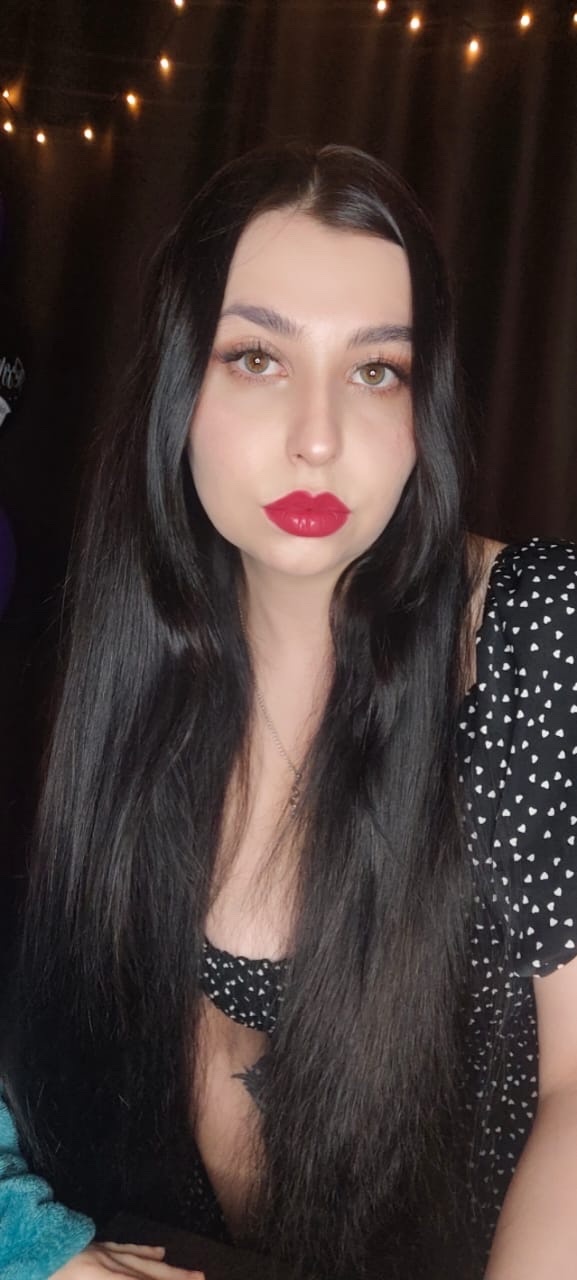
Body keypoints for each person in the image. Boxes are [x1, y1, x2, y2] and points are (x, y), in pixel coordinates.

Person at [1, 142, 577, 1280]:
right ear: (180, 388)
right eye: (257, 357)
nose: (318, 435)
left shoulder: (528, 628)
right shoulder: (121, 658)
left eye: (376, 371)